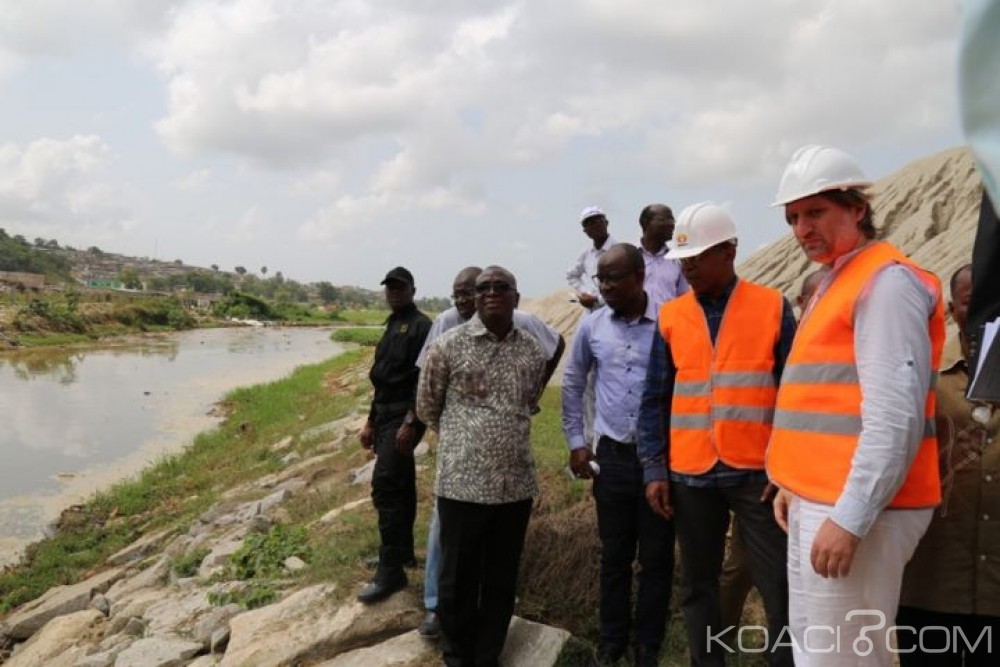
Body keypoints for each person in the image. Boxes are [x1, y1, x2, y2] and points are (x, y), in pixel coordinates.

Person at [768, 145, 945, 665]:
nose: (802, 229)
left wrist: (850, 516)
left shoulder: (886, 284)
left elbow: (896, 417)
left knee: (842, 658)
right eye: (793, 217)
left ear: (857, 208)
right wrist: (794, 484)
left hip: (862, 507)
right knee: (815, 649)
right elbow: (825, 397)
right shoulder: (837, 281)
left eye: (816, 212)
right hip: (821, 498)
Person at [638, 203, 796, 666]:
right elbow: (654, 399)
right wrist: (655, 469)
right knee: (698, 587)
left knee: (778, 585)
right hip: (690, 476)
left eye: (698, 256)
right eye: (682, 259)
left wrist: (787, 467)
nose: (688, 267)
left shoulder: (771, 306)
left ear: (729, 251)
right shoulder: (671, 316)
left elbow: (793, 394)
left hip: (758, 477)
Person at [416, 266, 565, 639]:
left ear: (517, 296)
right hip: (462, 485)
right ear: (475, 298)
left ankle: (489, 652)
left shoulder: (531, 351)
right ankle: (457, 654)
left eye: (502, 286)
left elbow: (528, 399)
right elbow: (427, 406)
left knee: (500, 578)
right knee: (457, 577)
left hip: (513, 486)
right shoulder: (449, 346)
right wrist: (465, 438)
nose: (491, 292)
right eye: (484, 288)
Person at [562, 243, 675, 667]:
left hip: (659, 462)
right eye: (601, 279)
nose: (605, 286)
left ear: (640, 276)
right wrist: (577, 441)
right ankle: (612, 641)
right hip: (610, 458)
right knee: (614, 556)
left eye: (613, 278)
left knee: (657, 557)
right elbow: (573, 385)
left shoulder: (669, 322)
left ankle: (648, 644)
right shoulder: (592, 327)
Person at [718, 265, 828, 643]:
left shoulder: (842, 347)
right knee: (745, 566)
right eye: (815, 300)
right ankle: (726, 634)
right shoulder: (786, 345)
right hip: (770, 483)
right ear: (801, 303)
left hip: (820, 486)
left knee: (803, 572)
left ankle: (793, 643)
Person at [897, 264, 1000, 665]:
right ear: (953, 308)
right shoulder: (923, 371)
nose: (986, 314)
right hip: (932, 578)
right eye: (973, 303)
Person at [357, 266, 432, 604]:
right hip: (385, 414)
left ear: (413, 290)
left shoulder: (421, 326)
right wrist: (370, 422)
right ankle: (401, 554)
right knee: (401, 485)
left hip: (404, 416)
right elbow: (382, 381)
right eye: (389, 288)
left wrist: (410, 422)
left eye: (400, 288)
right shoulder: (391, 325)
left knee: (386, 486)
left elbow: (423, 379)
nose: (394, 293)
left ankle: (391, 573)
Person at [567, 206, 618, 310]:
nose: (594, 226)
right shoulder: (586, 254)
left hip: (617, 310)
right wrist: (587, 293)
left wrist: (597, 299)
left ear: (606, 223)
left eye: (597, 221)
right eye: (588, 223)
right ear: (585, 231)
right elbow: (572, 275)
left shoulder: (620, 251)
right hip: (594, 310)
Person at [638, 203, 689, 308]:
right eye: (664, 219)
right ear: (646, 223)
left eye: (672, 219)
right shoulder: (630, 258)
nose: (672, 224)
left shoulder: (677, 261)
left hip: (668, 322)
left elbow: (684, 297)